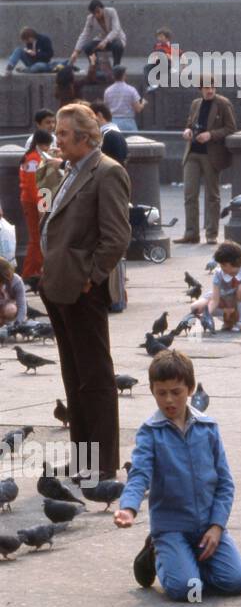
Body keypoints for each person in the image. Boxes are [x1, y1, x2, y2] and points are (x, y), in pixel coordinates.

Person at [38, 102, 131, 482]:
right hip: (57, 286)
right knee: (73, 377)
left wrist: (90, 277)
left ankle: (103, 465)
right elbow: (46, 213)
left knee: (95, 377)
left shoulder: (107, 171)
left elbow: (116, 237)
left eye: (62, 133)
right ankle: (82, 462)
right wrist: (48, 171)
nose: (56, 139)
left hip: (81, 289)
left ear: (86, 137)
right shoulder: (66, 170)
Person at [114, 350, 241, 601]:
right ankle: (158, 554)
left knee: (238, 582)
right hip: (171, 527)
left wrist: (217, 526)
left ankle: (189, 564)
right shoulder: (150, 433)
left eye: (176, 392)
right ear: (152, 391)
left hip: (207, 526)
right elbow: (139, 475)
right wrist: (129, 508)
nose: (169, 400)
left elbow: (225, 483)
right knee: (188, 591)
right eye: (161, 393)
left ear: (189, 389)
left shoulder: (208, 428)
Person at [179, 82, 237, 243]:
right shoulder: (196, 104)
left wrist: (210, 135)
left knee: (212, 196)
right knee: (190, 194)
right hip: (192, 152)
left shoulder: (223, 103)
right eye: (206, 88)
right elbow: (190, 124)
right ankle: (191, 233)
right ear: (200, 89)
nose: (210, 90)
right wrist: (187, 131)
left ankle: (211, 234)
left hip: (211, 155)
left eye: (212, 87)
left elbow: (231, 128)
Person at [194, 241, 241, 333]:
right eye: (220, 264)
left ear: (234, 262)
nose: (221, 267)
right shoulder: (219, 274)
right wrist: (206, 315)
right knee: (196, 308)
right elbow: (215, 300)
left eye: (224, 265)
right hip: (225, 302)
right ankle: (229, 320)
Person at [18, 129, 53, 279]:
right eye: (47, 145)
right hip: (34, 202)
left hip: (34, 200)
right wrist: (42, 206)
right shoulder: (33, 159)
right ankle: (30, 273)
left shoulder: (33, 157)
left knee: (37, 238)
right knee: (36, 238)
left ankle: (34, 272)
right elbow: (34, 185)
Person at [69, 0, 126, 70]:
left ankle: (116, 68)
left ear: (103, 8)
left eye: (98, 11)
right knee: (87, 47)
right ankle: (95, 69)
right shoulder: (90, 18)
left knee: (118, 46)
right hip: (101, 39)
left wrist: (105, 41)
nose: (96, 15)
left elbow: (116, 29)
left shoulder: (111, 11)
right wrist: (76, 51)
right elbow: (84, 34)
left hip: (116, 39)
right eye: (94, 13)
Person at [102, 65, 145, 134]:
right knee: (133, 143)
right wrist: (143, 102)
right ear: (124, 75)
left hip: (113, 122)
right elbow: (138, 109)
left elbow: (105, 108)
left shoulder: (108, 91)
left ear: (113, 76)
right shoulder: (131, 90)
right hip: (128, 122)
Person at [0, 257, 27, 325]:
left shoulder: (17, 281)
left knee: (11, 309)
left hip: (8, 306)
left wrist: (18, 322)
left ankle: (9, 323)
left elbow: (22, 304)